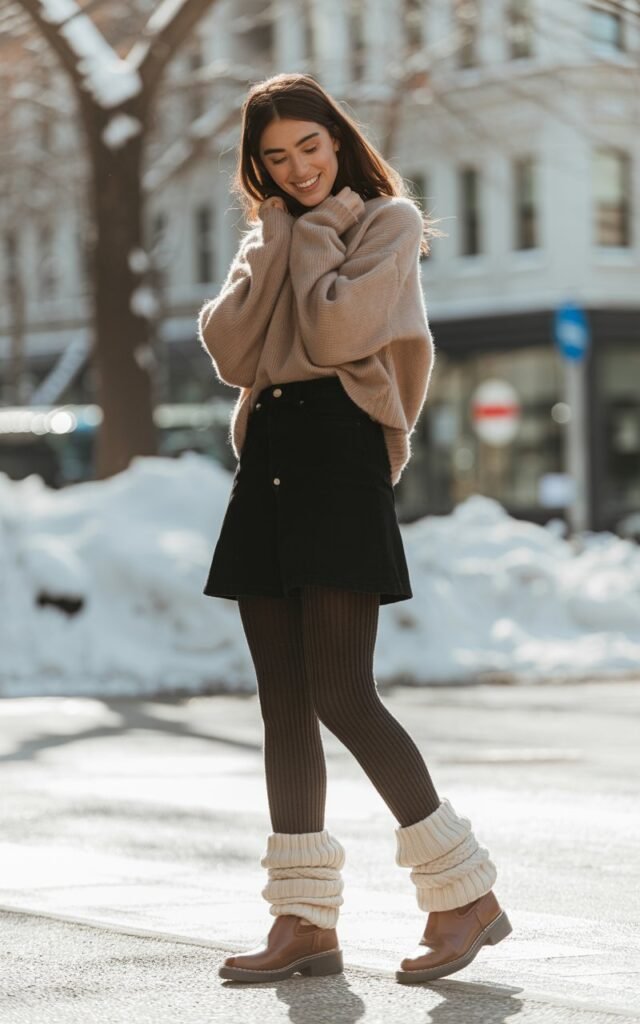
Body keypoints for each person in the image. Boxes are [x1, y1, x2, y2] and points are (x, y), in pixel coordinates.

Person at [197, 72, 511, 985]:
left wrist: (308, 236)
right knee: (284, 702)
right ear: (257, 167)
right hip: (270, 464)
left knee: (341, 689)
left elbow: (336, 333)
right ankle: (304, 920)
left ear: (338, 139)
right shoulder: (273, 234)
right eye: (276, 157)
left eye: (311, 146)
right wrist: (280, 242)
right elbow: (230, 347)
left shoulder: (387, 223)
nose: (296, 169)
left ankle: (463, 892)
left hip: (340, 454)